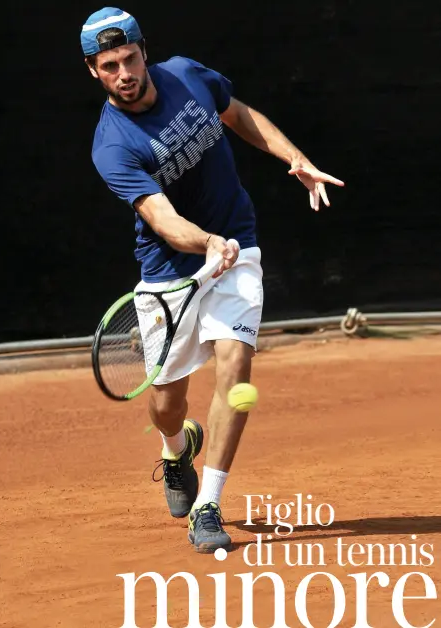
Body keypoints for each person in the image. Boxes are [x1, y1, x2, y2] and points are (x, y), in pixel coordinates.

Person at [80, 7, 345, 553]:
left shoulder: (188, 75)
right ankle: (176, 450)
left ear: (144, 51)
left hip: (238, 247)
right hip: (172, 271)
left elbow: (239, 114)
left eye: (130, 58)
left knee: (236, 367)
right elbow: (161, 218)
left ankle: (210, 504)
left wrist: (293, 157)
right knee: (166, 402)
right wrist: (205, 242)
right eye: (111, 65)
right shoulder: (111, 145)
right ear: (94, 72)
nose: (125, 72)